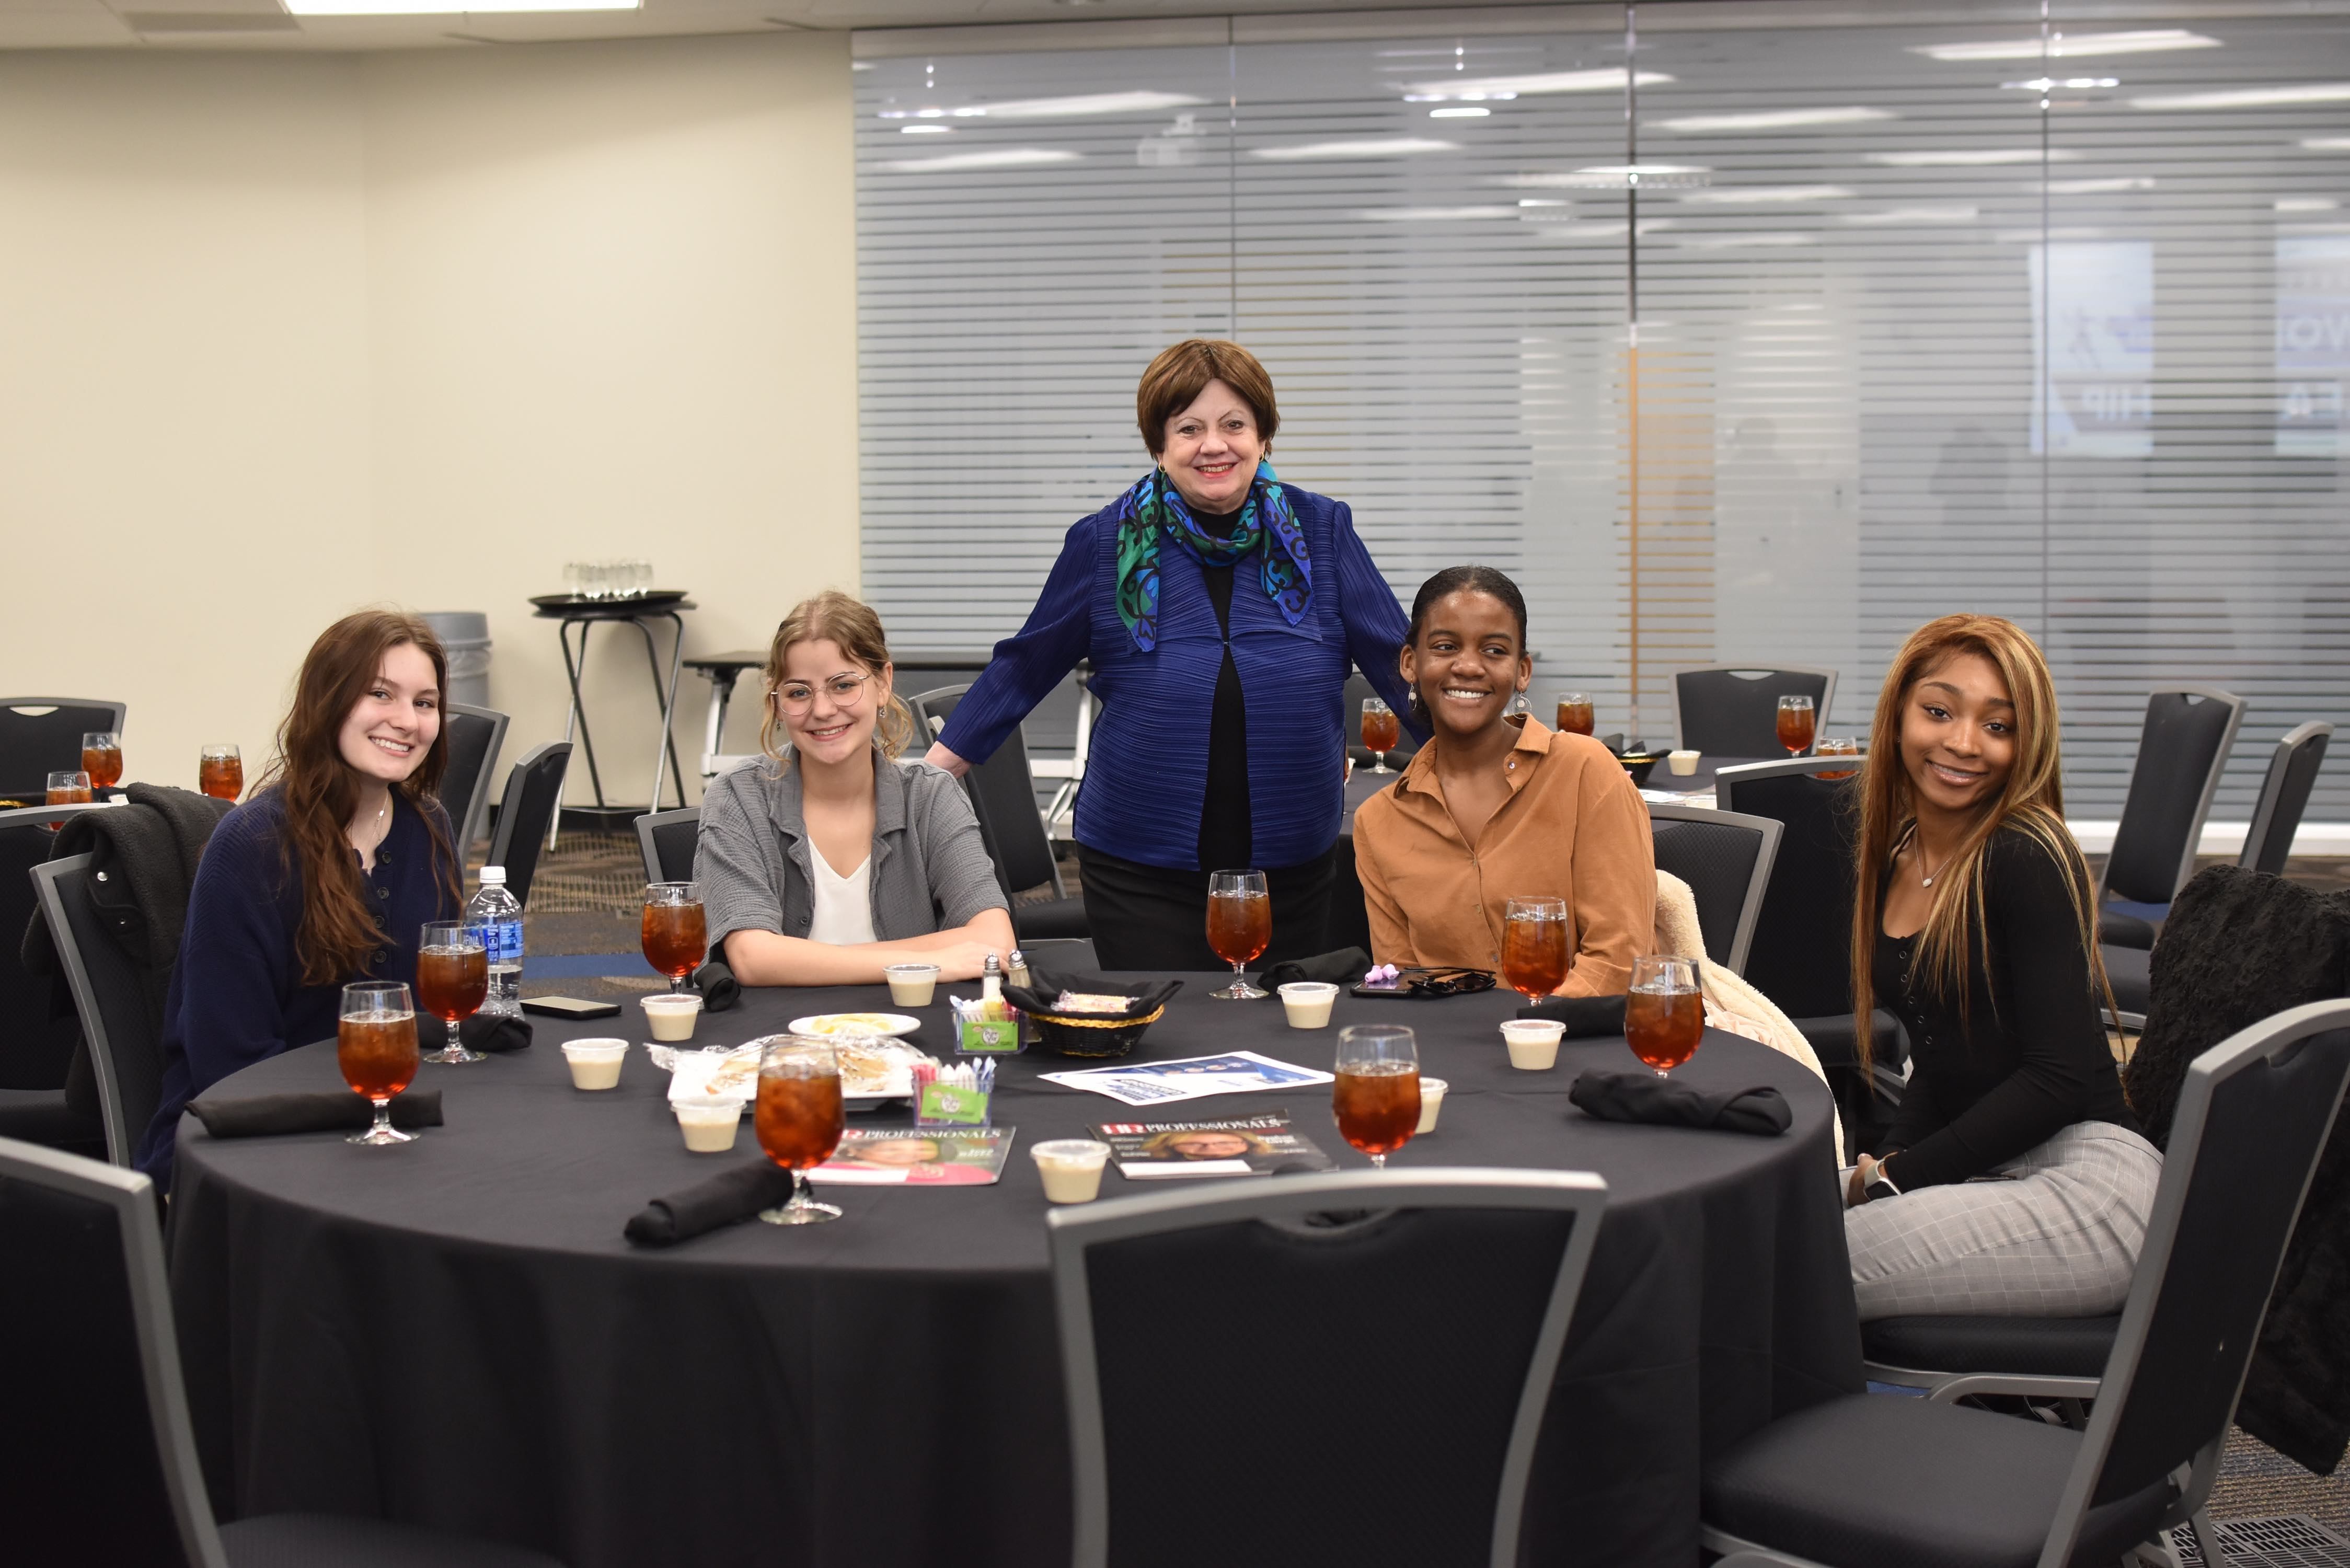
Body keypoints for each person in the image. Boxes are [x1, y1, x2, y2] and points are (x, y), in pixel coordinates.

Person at [923, 339, 1415, 970]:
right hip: (1139, 870)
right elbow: (1023, 669)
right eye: (1189, 429)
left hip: (1291, 865)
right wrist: (919, 787)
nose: (1214, 446)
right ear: (1158, 445)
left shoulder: (1322, 531)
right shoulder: (1104, 541)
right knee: (1166, 1025)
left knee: (1281, 1025)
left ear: (1263, 437)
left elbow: (1402, 669)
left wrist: (1501, 766)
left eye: (1234, 425)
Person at [1842, 613, 2158, 1321]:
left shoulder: (2024, 853)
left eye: (1997, 725)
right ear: (1898, 716)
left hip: (2094, 1185)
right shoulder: (1899, 855)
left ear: (2027, 743)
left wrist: (1896, 1179)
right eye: (1938, 712)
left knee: (1799, 1262)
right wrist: (1888, 1163)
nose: (1962, 743)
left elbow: (2058, 1079)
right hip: (1995, 1163)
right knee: (1765, 1218)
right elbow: (1942, 1062)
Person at [135, 610, 461, 1187]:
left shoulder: (429, 827)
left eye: (425, 702)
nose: (407, 721)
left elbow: (440, 1018)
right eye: (380, 694)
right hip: (249, 1145)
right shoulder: (252, 847)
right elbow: (230, 1062)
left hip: (388, 1126)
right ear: (327, 701)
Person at [1352, 567, 1655, 996]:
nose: (1468, 666)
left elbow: (1620, 960)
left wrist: (1527, 1026)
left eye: (1494, 651)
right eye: (1445, 647)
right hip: (1455, 1037)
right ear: (1410, 663)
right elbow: (1405, 984)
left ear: (1522, 671)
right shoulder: (1378, 822)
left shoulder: (1586, 771)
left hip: (1588, 1030)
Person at [698, 591, 1014, 985]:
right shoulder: (738, 796)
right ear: (778, 703)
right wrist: (930, 961)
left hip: (909, 1022)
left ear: (883, 683)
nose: (822, 710)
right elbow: (752, 958)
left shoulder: (931, 795)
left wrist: (800, 960)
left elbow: (995, 940)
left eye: (844, 685)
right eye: (799, 692)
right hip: (784, 1026)